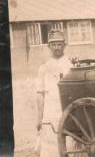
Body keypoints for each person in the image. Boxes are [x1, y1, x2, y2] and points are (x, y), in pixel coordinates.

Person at [36, 29, 71, 157]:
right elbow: (40, 94)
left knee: (70, 145)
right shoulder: (43, 68)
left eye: (59, 44)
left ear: (64, 45)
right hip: (50, 112)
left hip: (67, 111)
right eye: (53, 44)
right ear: (49, 46)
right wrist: (39, 118)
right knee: (50, 148)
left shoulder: (71, 65)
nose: (56, 47)